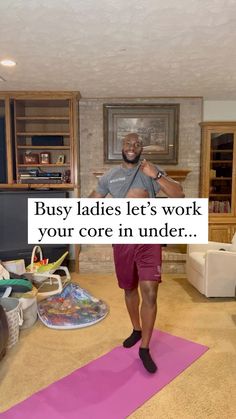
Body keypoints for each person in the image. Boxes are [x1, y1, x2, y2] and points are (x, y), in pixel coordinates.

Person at [89, 133, 184, 373]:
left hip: (148, 239)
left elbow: (179, 194)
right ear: (121, 147)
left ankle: (145, 347)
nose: (132, 147)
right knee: (129, 288)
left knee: (150, 291)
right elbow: (92, 201)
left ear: (142, 149)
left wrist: (157, 175)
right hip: (121, 240)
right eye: (128, 143)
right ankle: (136, 328)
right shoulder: (110, 176)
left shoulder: (150, 171)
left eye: (137, 144)